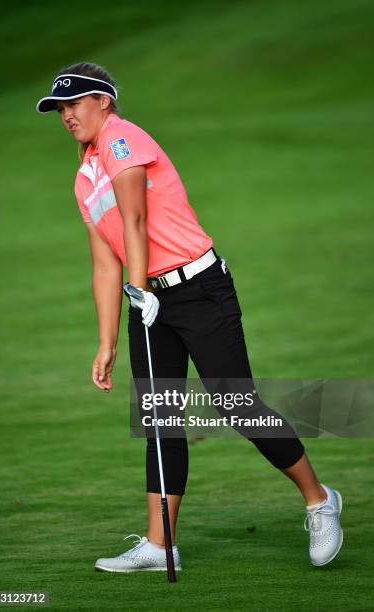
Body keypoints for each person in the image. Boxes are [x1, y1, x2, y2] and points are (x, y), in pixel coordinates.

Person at [36, 62, 343, 572]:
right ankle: (160, 544)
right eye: (59, 109)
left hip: (198, 288)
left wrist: (140, 286)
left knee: (235, 403)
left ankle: (319, 500)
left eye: (75, 104)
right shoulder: (84, 178)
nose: (67, 115)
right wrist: (107, 339)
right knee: (161, 419)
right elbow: (103, 262)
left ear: (104, 101)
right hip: (148, 300)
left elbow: (136, 218)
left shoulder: (121, 139)